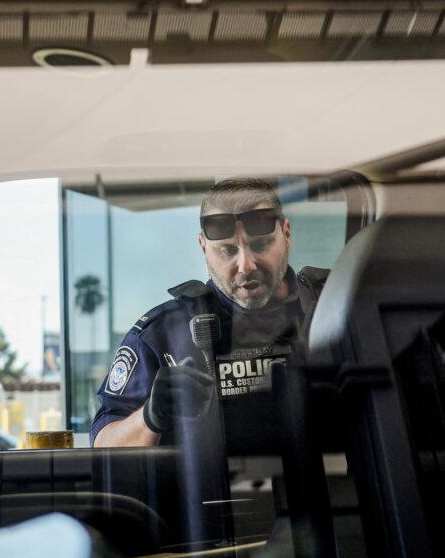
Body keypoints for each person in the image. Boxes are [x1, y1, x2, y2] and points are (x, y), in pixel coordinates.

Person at [91, 177, 328, 448]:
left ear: (286, 234)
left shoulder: (335, 306)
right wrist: (150, 417)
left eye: (260, 245)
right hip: (211, 489)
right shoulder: (163, 335)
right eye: (227, 250)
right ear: (203, 246)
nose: (246, 265)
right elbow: (103, 446)